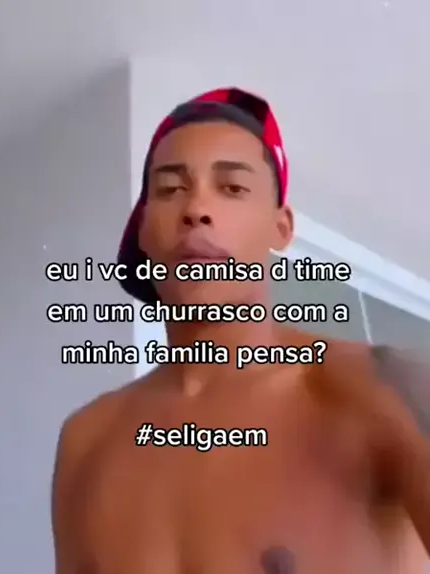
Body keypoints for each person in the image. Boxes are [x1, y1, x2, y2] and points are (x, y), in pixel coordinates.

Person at [51, 88, 430, 574]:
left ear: (282, 228)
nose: (196, 209)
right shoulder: (86, 439)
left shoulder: (384, 389)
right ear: (143, 232)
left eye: (232, 188)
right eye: (170, 189)